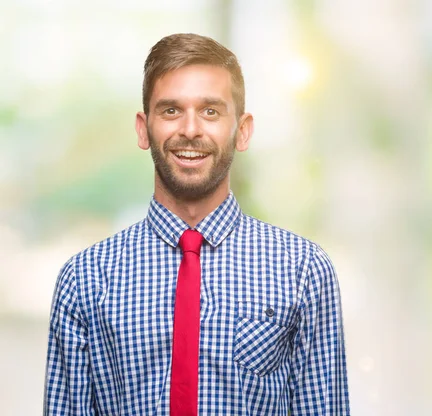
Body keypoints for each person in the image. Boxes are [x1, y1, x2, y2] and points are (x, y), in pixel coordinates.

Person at [43, 33, 350, 415]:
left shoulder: (302, 270)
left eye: (210, 111)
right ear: (143, 128)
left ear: (243, 130)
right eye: (171, 110)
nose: (190, 129)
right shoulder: (85, 279)